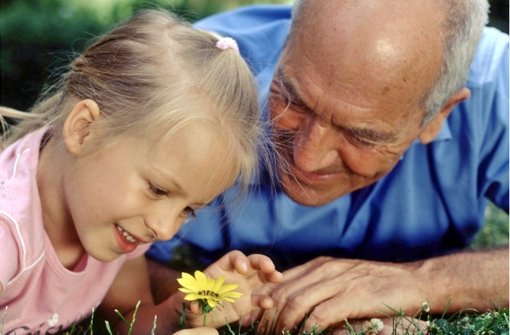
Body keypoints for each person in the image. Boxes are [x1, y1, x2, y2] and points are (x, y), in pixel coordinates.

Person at [147, 0, 509, 333]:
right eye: (292, 99)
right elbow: (110, 258)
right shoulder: (190, 79)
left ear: (440, 114)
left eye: (360, 136)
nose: (306, 158)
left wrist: (422, 283)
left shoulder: (497, 85)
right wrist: (283, 312)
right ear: (290, 36)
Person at [0, 9, 284, 335]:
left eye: (188, 210)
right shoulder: (7, 231)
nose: (164, 230)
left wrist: (185, 311)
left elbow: (125, 319)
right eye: (158, 189)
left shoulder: (113, 225)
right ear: (84, 130)